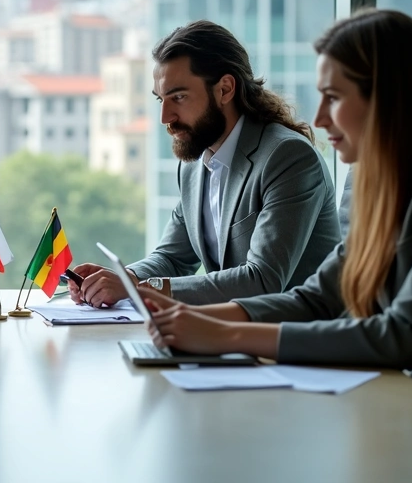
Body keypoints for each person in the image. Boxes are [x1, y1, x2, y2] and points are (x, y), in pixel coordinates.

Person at [137, 9, 412, 478]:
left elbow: (401, 334)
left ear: (387, 97)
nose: (317, 118)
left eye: (333, 98)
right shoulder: (374, 177)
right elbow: (318, 297)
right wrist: (191, 321)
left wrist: (226, 335)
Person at [71, 20, 340, 306]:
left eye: (179, 97)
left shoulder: (288, 157)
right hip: (234, 337)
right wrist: (119, 280)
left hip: (297, 342)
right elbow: (172, 258)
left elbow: (263, 280)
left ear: (225, 89)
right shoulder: (194, 164)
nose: (166, 117)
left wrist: (139, 288)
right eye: (161, 99)